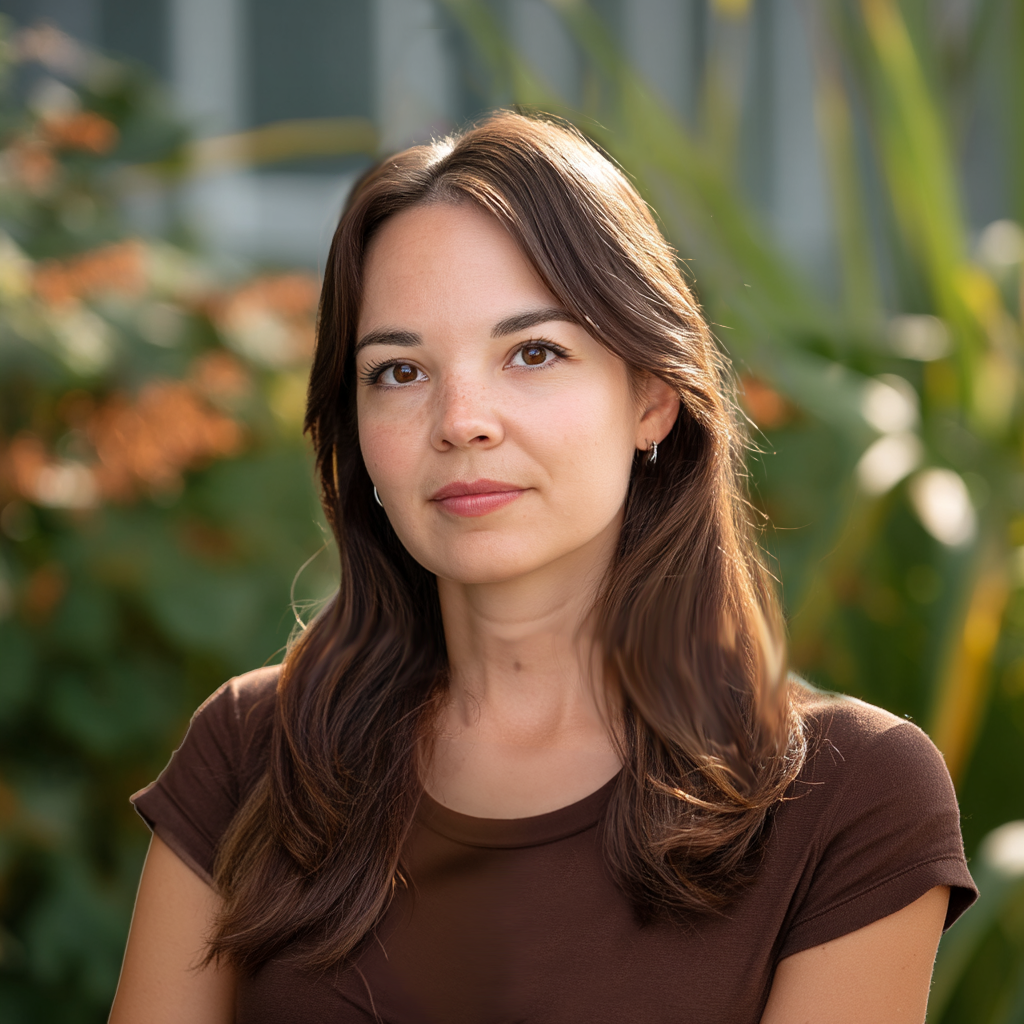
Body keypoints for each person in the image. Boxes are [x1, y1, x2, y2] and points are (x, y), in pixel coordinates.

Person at [109, 111, 976, 1024]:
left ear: (652, 398)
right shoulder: (253, 752)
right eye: (399, 371)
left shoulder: (847, 796)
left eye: (533, 352)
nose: (462, 420)